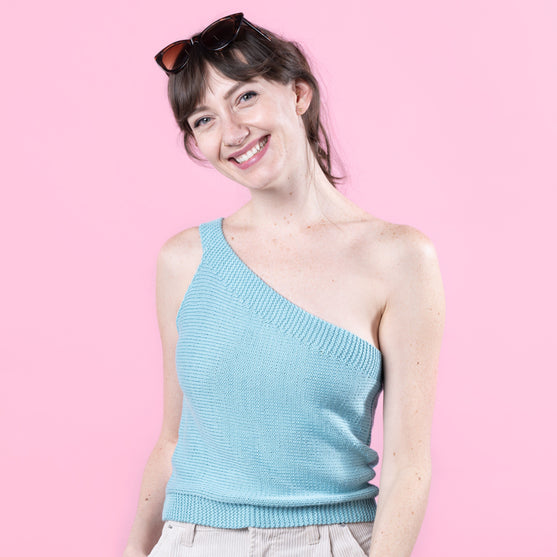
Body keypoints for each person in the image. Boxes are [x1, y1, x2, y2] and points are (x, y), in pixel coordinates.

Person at [123, 12, 445, 557]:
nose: (231, 133)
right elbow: (173, 439)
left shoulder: (399, 258)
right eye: (203, 120)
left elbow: (408, 466)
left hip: (329, 542)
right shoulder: (183, 260)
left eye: (245, 97)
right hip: (190, 542)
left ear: (297, 94)